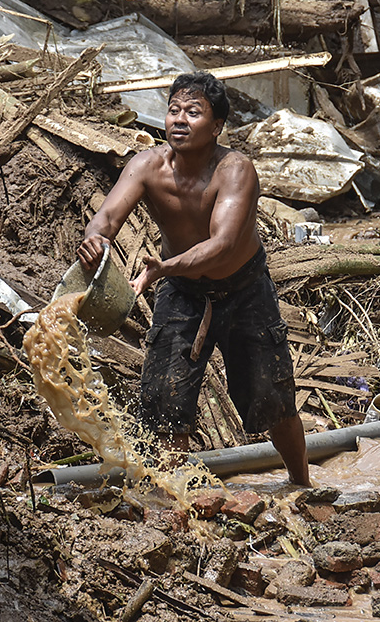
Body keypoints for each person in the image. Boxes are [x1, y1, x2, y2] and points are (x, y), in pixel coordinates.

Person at [77, 72, 310, 486]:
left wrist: (165, 267)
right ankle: (175, 506)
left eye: (193, 112)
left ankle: (302, 485)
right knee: (164, 405)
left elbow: (222, 244)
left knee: (273, 400)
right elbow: (108, 216)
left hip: (244, 289)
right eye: (173, 110)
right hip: (184, 293)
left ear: (217, 126)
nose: (179, 120)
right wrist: (95, 239)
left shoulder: (235, 170)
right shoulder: (148, 166)